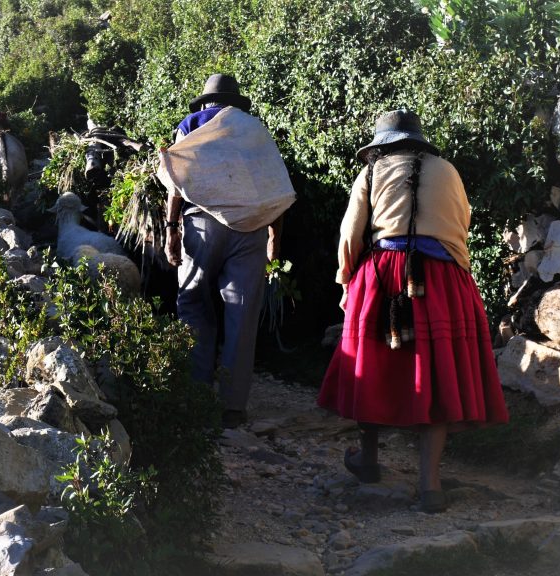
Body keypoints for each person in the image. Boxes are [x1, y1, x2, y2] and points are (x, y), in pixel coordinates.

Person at [317, 109, 509, 513]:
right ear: (418, 141)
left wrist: (346, 279)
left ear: (382, 145)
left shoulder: (371, 173)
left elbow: (351, 234)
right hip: (442, 277)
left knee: (372, 366)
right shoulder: (449, 171)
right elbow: (461, 225)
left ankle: (368, 461)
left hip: (383, 276)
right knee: (433, 371)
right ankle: (430, 486)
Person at [157, 74, 295, 429]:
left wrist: (172, 230)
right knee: (242, 315)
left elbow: (176, 182)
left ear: (206, 102)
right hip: (249, 228)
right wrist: (274, 240)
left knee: (193, 305)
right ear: (236, 102)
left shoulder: (192, 125)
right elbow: (273, 185)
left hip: (201, 225)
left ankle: (198, 396)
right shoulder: (254, 130)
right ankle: (233, 407)